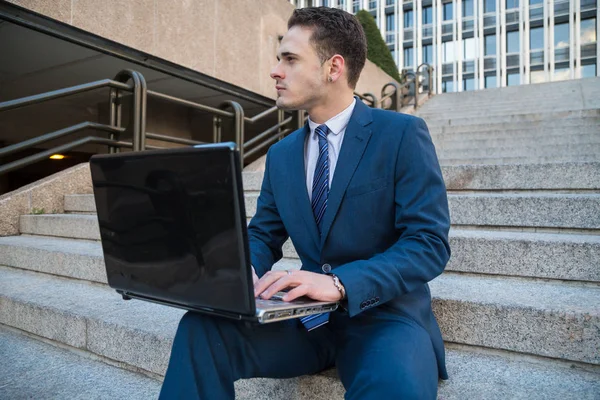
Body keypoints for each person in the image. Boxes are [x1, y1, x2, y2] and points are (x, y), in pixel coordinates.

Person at [159, 6, 450, 399]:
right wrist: (239, 270)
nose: (276, 71)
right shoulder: (280, 155)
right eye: (279, 58)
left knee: (393, 388)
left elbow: (427, 244)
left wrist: (339, 283)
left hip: (385, 317)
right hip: (305, 316)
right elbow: (263, 234)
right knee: (201, 327)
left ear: (333, 67)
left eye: (290, 59)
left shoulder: (401, 134)